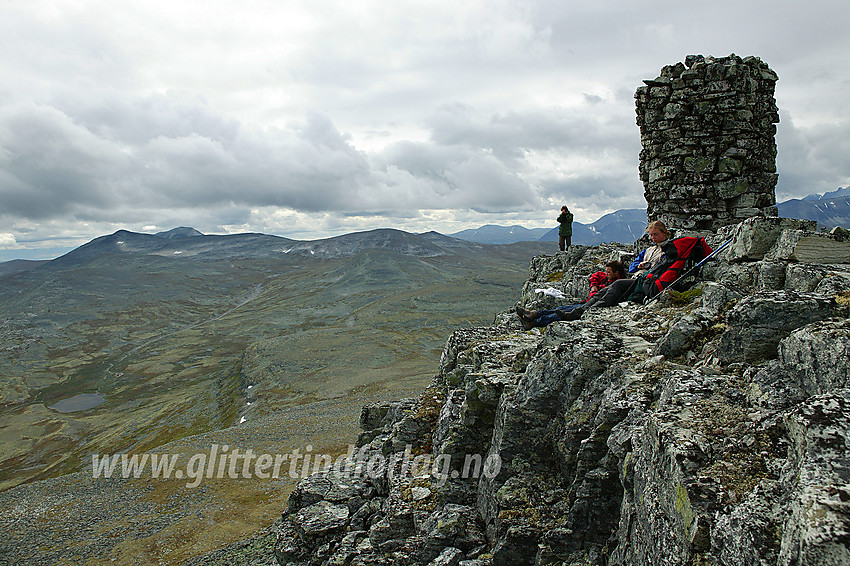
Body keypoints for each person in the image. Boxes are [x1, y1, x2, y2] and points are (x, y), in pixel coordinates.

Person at [516, 261, 626, 330]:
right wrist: (594, 285)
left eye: (609, 272)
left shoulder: (617, 285)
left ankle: (534, 323)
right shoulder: (607, 277)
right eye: (606, 272)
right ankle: (533, 314)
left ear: (617, 273)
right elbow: (595, 275)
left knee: (561, 314)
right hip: (587, 303)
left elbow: (601, 297)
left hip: (592, 307)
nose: (606, 274)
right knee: (560, 308)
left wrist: (593, 293)